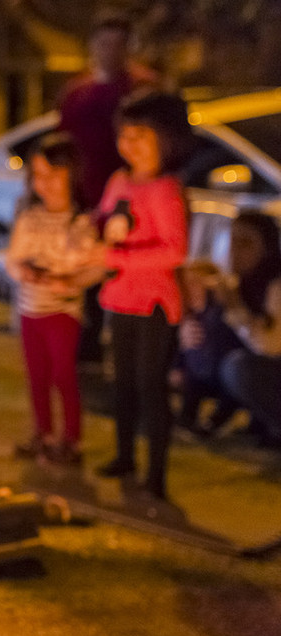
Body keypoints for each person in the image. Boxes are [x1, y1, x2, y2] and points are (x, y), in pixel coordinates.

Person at [93, 89, 190, 501]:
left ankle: (157, 474)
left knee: (151, 386)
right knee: (122, 383)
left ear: (164, 139)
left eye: (141, 135)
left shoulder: (166, 190)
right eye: (125, 135)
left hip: (152, 302)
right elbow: (104, 220)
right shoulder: (119, 181)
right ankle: (124, 455)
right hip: (119, 297)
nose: (129, 144)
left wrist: (118, 255)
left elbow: (175, 250)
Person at [57, 14, 159, 362]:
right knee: (87, 272)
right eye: (103, 44)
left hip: (134, 202)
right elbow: (64, 145)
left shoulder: (143, 89)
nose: (109, 52)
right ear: (92, 47)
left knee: (128, 271)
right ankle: (88, 349)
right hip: (86, 197)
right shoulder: (77, 94)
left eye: (118, 45)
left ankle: (132, 352)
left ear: (128, 48)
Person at [5, 134, 102, 465]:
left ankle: (71, 441)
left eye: (52, 175)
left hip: (61, 310)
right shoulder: (29, 218)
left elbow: (96, 266)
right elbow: (13, 259)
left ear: (71, 175)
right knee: (37, 376)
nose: (43, 184)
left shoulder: (81, 222)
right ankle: (43, 434)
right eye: (38, 176)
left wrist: (69, 279)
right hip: (29, 309)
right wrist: (24, 272)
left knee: (63, 374)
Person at [215, 212, 281, 448]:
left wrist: (234, 308)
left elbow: (268, 347)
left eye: (246, 243)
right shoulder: (240, 283)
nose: (235, 251)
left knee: (238, 367)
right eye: (232, 241)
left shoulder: (275, 284)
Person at [173, 261, 241, 439]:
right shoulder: (191, 317)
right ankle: (188, 416)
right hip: (202, 375)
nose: (188, 289)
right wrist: (177, 365)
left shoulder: (219, 316)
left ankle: (214, 421)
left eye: (194, 283)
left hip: (224, 379)